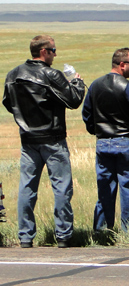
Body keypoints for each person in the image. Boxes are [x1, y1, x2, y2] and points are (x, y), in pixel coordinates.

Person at [2, 35, 85, 248]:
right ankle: (64, 235)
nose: (55, 54)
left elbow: (8, 103)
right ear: (43, 52)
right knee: (62, 188)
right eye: (53, 50)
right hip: (53, 139)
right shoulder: (51, 74)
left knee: (27, 188)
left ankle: (25, 236)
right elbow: (74, 100)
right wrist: (77, 82)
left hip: (28, 139)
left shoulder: (13, 75)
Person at [82, 47, 129, 233]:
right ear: (122, 65)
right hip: (127, 142)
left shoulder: (95, 85)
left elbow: (86, 113)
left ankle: (102, 233)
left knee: (105, 190)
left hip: (103, 143)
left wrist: (95, 130)